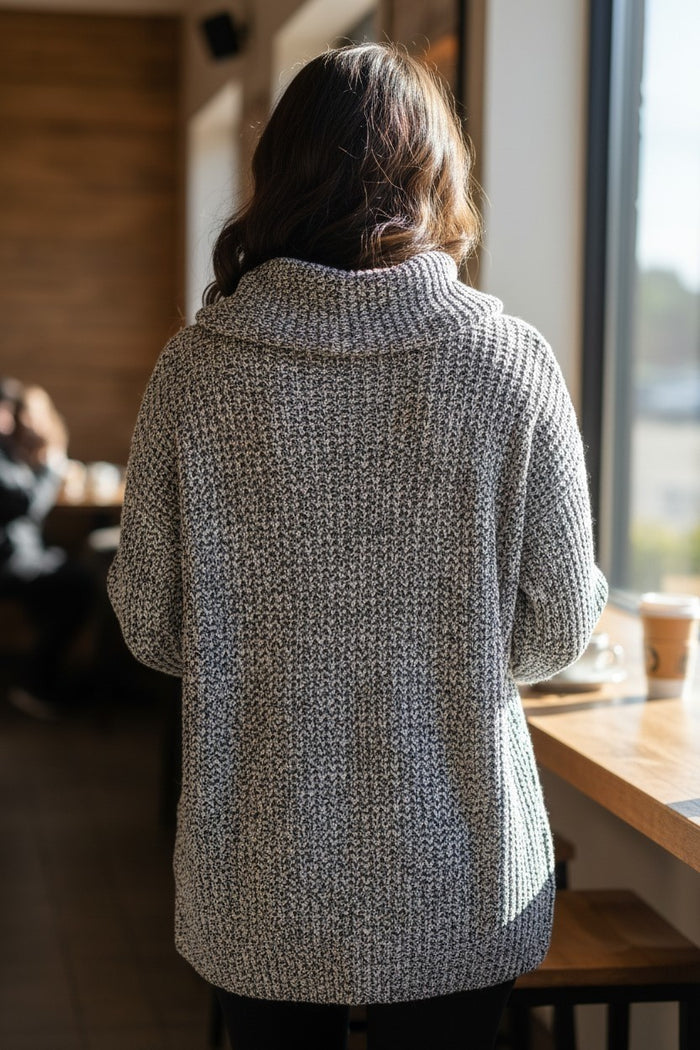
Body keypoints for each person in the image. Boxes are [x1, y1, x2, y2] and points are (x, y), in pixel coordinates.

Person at [107, 43, 608, 1050]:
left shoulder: (196, 372)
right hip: (459, 871)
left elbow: (151, 624)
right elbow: (559, 626)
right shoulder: (509, 367)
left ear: (276, 174)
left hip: (258, 870)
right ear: (436, 179)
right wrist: (445, 656)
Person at [0, 378, 95, 719]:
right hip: (8, 562)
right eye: (8, 410)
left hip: (18, 555)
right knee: (80, 585)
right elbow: (22, 505)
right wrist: (53, 467)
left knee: (70, 572)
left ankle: (41, 675)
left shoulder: (9, 449)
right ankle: (35, 683)